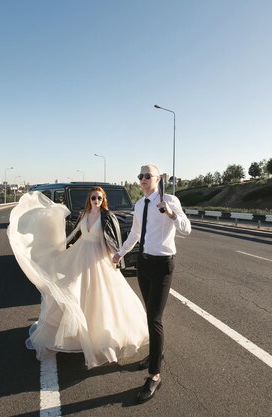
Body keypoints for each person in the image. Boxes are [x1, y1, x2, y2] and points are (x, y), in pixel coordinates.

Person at [7, 186, 149, 369]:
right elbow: (76, 234)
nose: (96, 201)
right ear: (89, 199)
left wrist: (116, 257)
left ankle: (100, 336)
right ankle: (74, 336)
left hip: (98, 259)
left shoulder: (107, 216)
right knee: (73, 290)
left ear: (103, 199)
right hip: (80, 253)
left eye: (99, 198)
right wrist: (58, 245)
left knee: (100, 296)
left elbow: (113, 239)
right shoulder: (84, 214)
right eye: (93, 198)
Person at [112, 164, 191, 403]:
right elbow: (135, 234)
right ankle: (157, 354)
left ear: (157, 179)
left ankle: (155, 375)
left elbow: (187, 230)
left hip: (162, 265)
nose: (143, 179)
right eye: (140, 176)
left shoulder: (170, 200)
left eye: (148, 175)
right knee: (149, 314)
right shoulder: (138, 204)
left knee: (155, 318)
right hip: (143, 263)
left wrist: (170, 213)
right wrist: (121, 253)